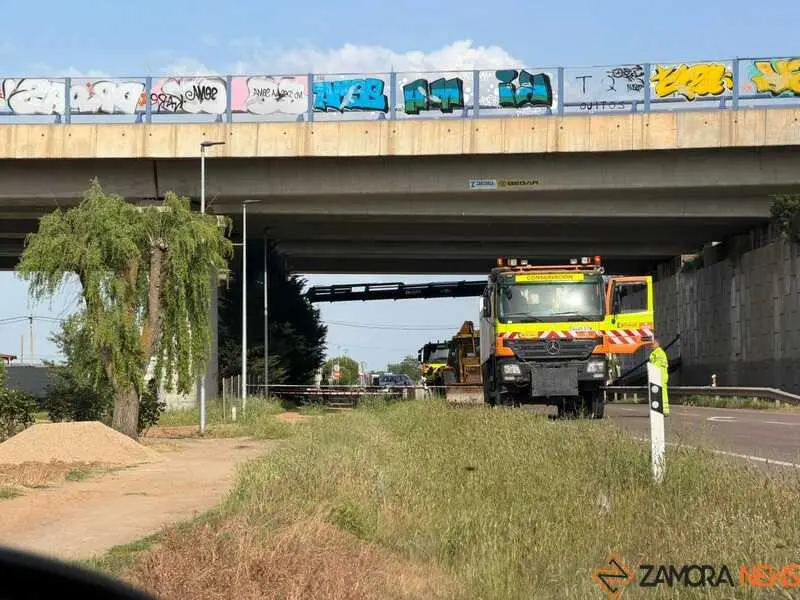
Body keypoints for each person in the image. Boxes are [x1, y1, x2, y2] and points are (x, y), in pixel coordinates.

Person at [648, 337, 670, 416]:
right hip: (657, 376)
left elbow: (655, 365)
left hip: (660, 376)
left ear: (657, 344)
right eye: (650, 344)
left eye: (652, 344)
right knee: (657, 393)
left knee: (662, 394)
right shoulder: (655, 352)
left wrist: (650, 367)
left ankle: (664, 411)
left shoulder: (659, 353)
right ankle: (658, 410)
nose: (651, 345)